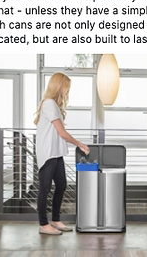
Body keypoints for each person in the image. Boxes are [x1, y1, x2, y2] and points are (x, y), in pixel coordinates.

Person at [34, 72, 90, 235]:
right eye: (66, 86)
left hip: (56, 153)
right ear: (59, 85)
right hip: (48, 153)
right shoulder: (49, 103)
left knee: (61, 185)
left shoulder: (54, 105)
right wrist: (79, 144)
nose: (67, 90)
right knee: (44, 188)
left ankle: (56, 220)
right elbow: (62, 133)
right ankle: (44, 225)